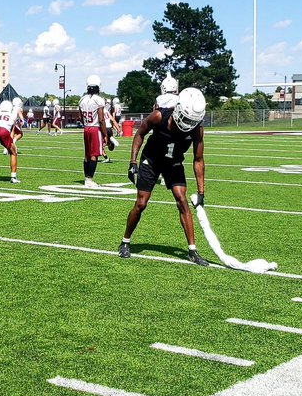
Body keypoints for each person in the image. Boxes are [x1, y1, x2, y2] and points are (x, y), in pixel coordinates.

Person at [119, 87, 209, 266]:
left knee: (182, 200)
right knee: (141, 203)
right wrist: (133, 162)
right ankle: (125, 241)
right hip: (151, 161)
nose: (188, 124)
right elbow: (140, 133)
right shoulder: (159, 116)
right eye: (186, 119)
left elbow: (198, 159)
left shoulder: (196, 129)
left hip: (173, 162)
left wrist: (201, 191)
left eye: (192, 121)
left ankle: (192, 250)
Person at [79, 75, 108, 188]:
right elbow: (101, 119)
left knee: (87, 154)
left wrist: (86, 124)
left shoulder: (82, 99)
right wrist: (105, 134)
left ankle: (86, 178)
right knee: (94, 155)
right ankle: (89, 179)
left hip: (86, 127)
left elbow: (80, 117)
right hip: (95, 128)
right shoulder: (99, 100)